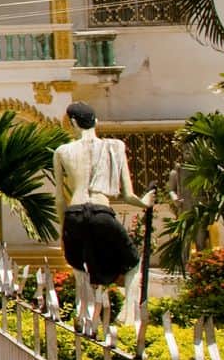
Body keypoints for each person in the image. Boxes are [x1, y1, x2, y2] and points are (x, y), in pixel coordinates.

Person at [52, 101, 155, 324]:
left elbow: (60, 199)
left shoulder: (62, 151)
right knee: (133, 263)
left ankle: (85, 317)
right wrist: (145, 203)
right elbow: (128, 195)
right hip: (101, 211)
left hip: (74, 213)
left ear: (72, 123)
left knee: (80, 269)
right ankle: (128, 316)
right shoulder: (115, 146)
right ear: (96, 122)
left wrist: (64, 230)